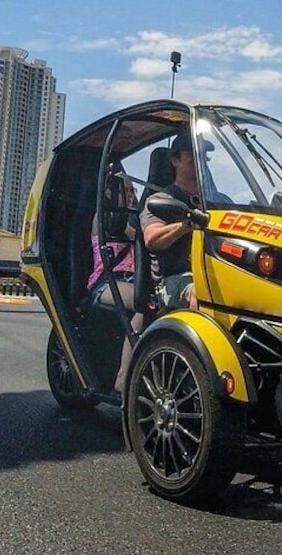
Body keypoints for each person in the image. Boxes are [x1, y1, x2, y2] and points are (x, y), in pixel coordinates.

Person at [88, 167, 142, 394]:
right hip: (105, 282)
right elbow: (133, 233)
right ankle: (123, 376)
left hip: (133, 280)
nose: (130, 194)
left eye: (132, 190)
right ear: (111, 192)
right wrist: (133, 210)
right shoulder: (104, 217)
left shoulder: (133, 216)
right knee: (144, 304)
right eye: (126, 189)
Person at [140, 133, 200, 311]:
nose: (198, 159)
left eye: (202, 155)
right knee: (201, 291)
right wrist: (186, 225)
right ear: (175, 160)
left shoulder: (216, 201)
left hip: (211, 271)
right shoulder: (160, 200)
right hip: (172, 280)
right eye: (191, 154)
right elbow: (152, 239)